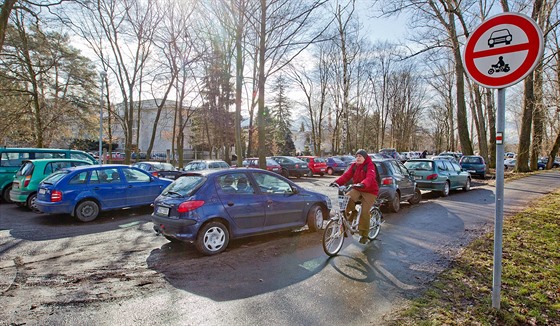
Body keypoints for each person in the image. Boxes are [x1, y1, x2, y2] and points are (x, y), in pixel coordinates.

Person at [330, 149, 379, 244]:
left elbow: (370, 177)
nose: (358, 158)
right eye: (357, 156)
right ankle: (353, 213)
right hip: (358, 188)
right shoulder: (354, 166)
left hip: (370, 191)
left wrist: (363, 183)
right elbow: (346, 176)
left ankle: (364, 235)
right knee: (346, 200)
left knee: (365, 212)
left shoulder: (370, 165)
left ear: (365, 158)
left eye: (360, 156)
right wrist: (336, 182)